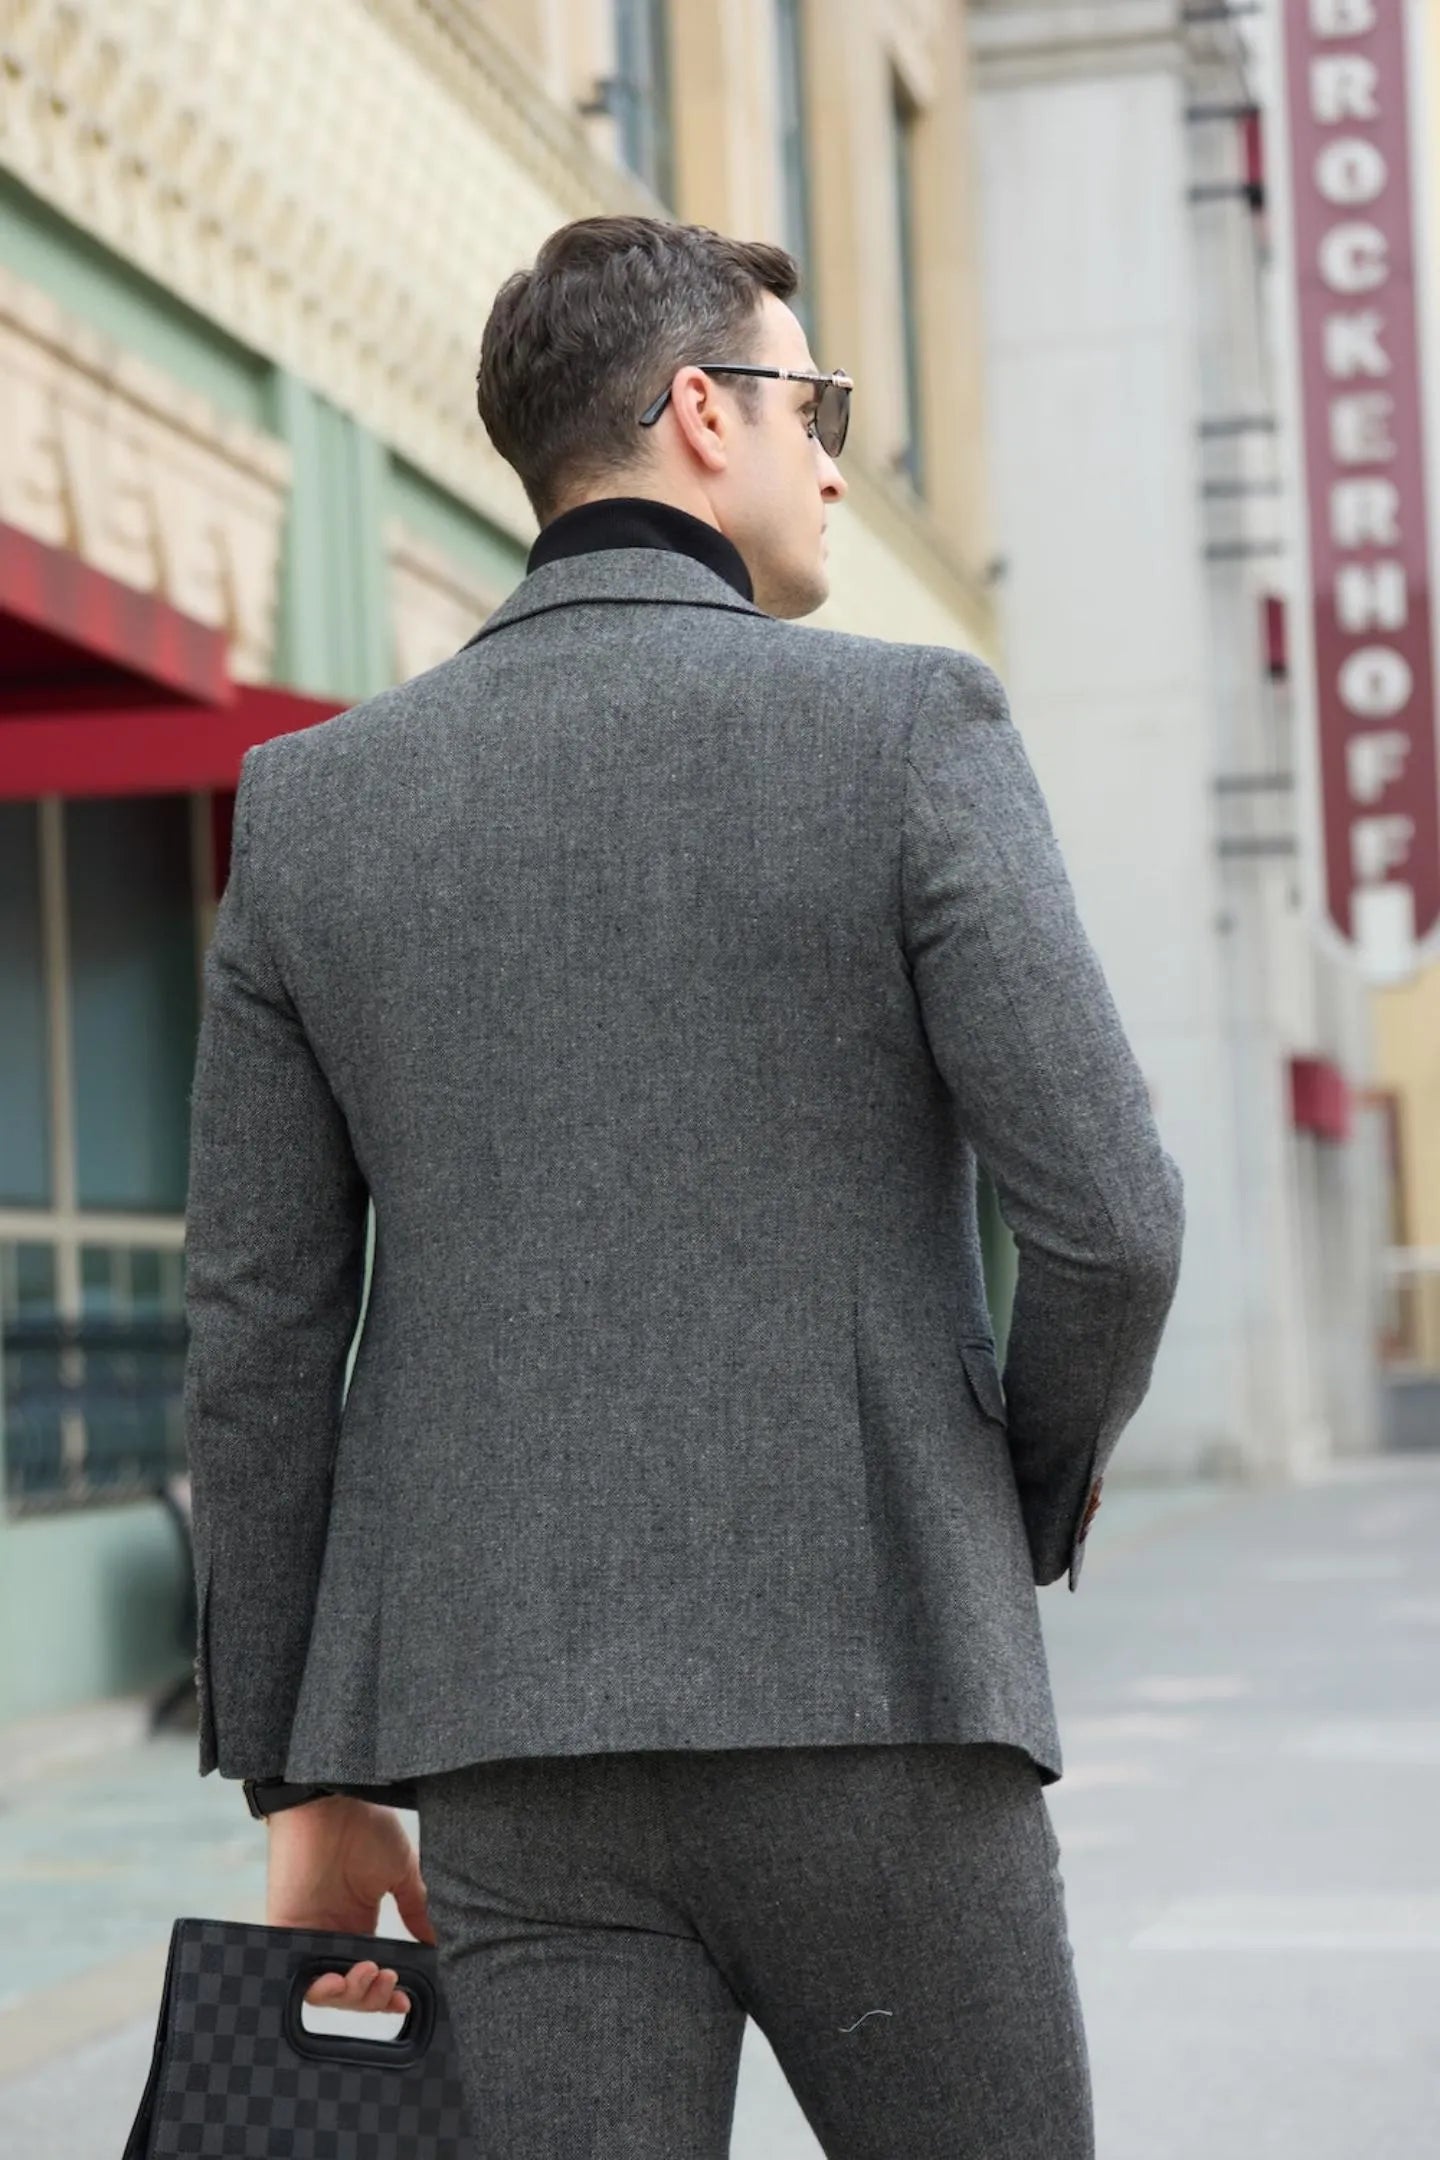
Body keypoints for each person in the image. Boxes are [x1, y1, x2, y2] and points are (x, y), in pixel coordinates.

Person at [182, 214, 1185, 2158]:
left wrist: (300, 1784)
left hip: (503, 1739)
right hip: (881, 1684)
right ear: (701, 415)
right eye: (810, 404)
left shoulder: (314, 808)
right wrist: (1005, 1496)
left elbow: (257, 1330)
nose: (830, 453)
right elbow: (1115, 1222)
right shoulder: (906, 728)